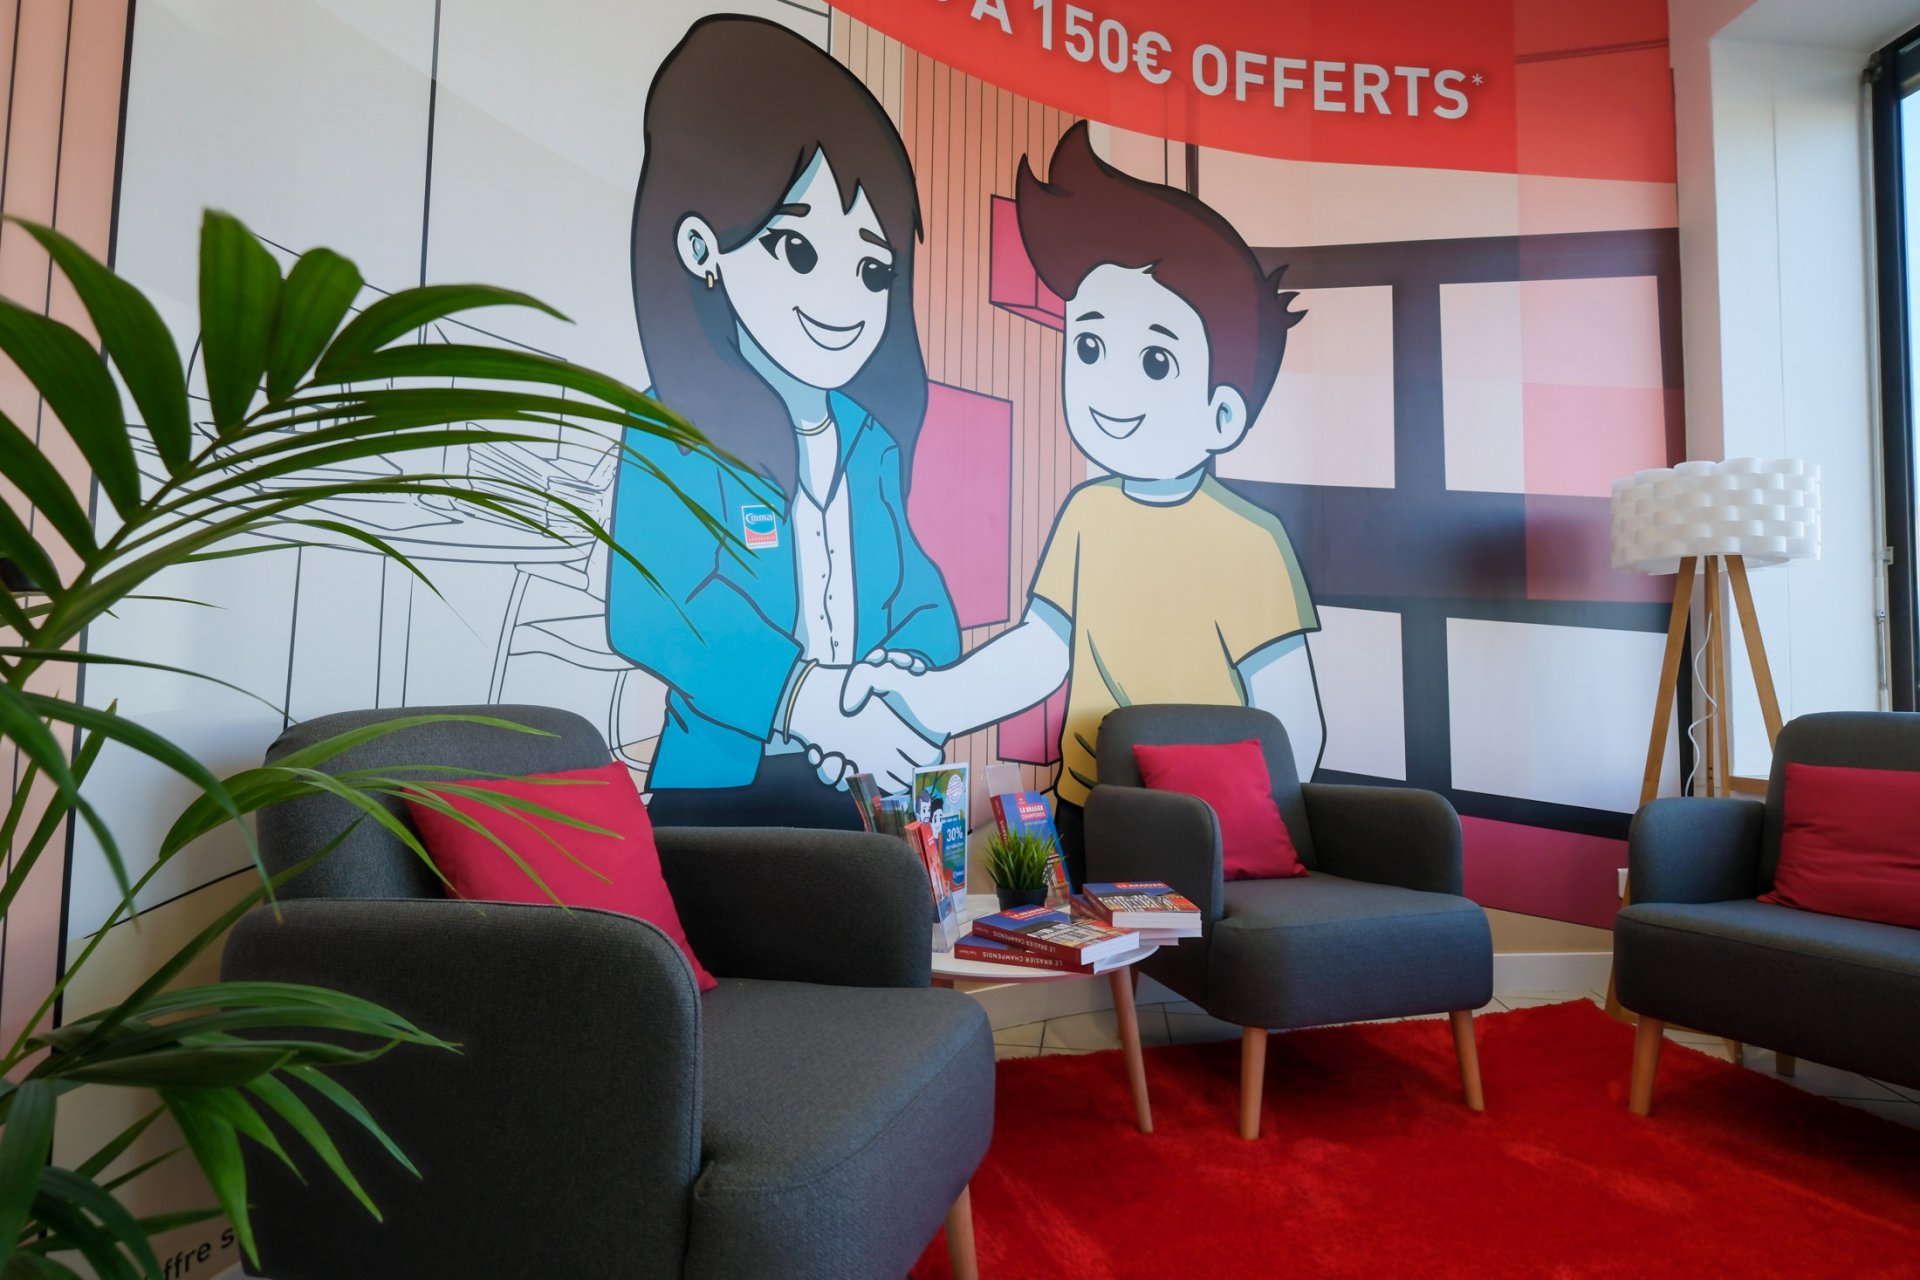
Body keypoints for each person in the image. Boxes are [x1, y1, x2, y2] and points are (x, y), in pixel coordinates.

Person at [845, 122, 1324, 879]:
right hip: (1087, 805)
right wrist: (930, 699)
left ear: (1223, 415)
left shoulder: (1253, 540)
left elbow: (1293, 719)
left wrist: (1248, 841)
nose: (1110, 388)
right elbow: (1040, 650)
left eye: (1156, 360)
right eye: (1091, 347)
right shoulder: (1087, 512)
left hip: (1202, 825)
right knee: (1039, 915)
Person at [609, 16, 959, 827]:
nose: (844, 300)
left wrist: (897, 681)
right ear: (702, 248)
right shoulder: (672, 426)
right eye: (799, 251)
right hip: (720, 786)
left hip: (849, 784)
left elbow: (920, 598)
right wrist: (808, 700)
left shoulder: (868, 442)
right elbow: (656, 607)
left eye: (871, 268)